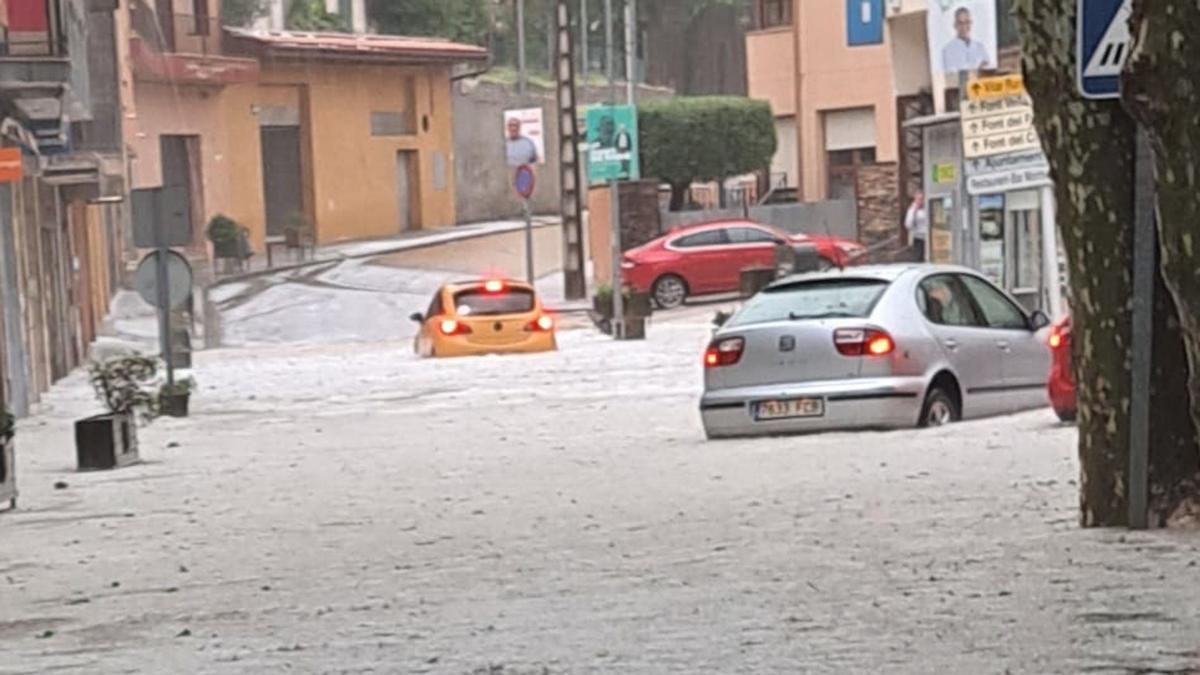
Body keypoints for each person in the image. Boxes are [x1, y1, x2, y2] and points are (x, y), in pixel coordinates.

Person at [941, 7, 991, 73]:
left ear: (971, 23)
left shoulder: (980, 47)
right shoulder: (947, 50)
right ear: (955, 25)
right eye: (960, 23)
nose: (964, 26)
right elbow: (950, 75)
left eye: (967, 22)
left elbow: (987, 66)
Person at [906, 191, 928, 262]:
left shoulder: (926, 209)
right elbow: (908, 224)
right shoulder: (912, 210)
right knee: (919, 257)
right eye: (919, 199)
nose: (921, 201)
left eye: (922, 199)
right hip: (918, 237)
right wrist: (914, 212)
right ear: (915, 200)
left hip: (928, 237)